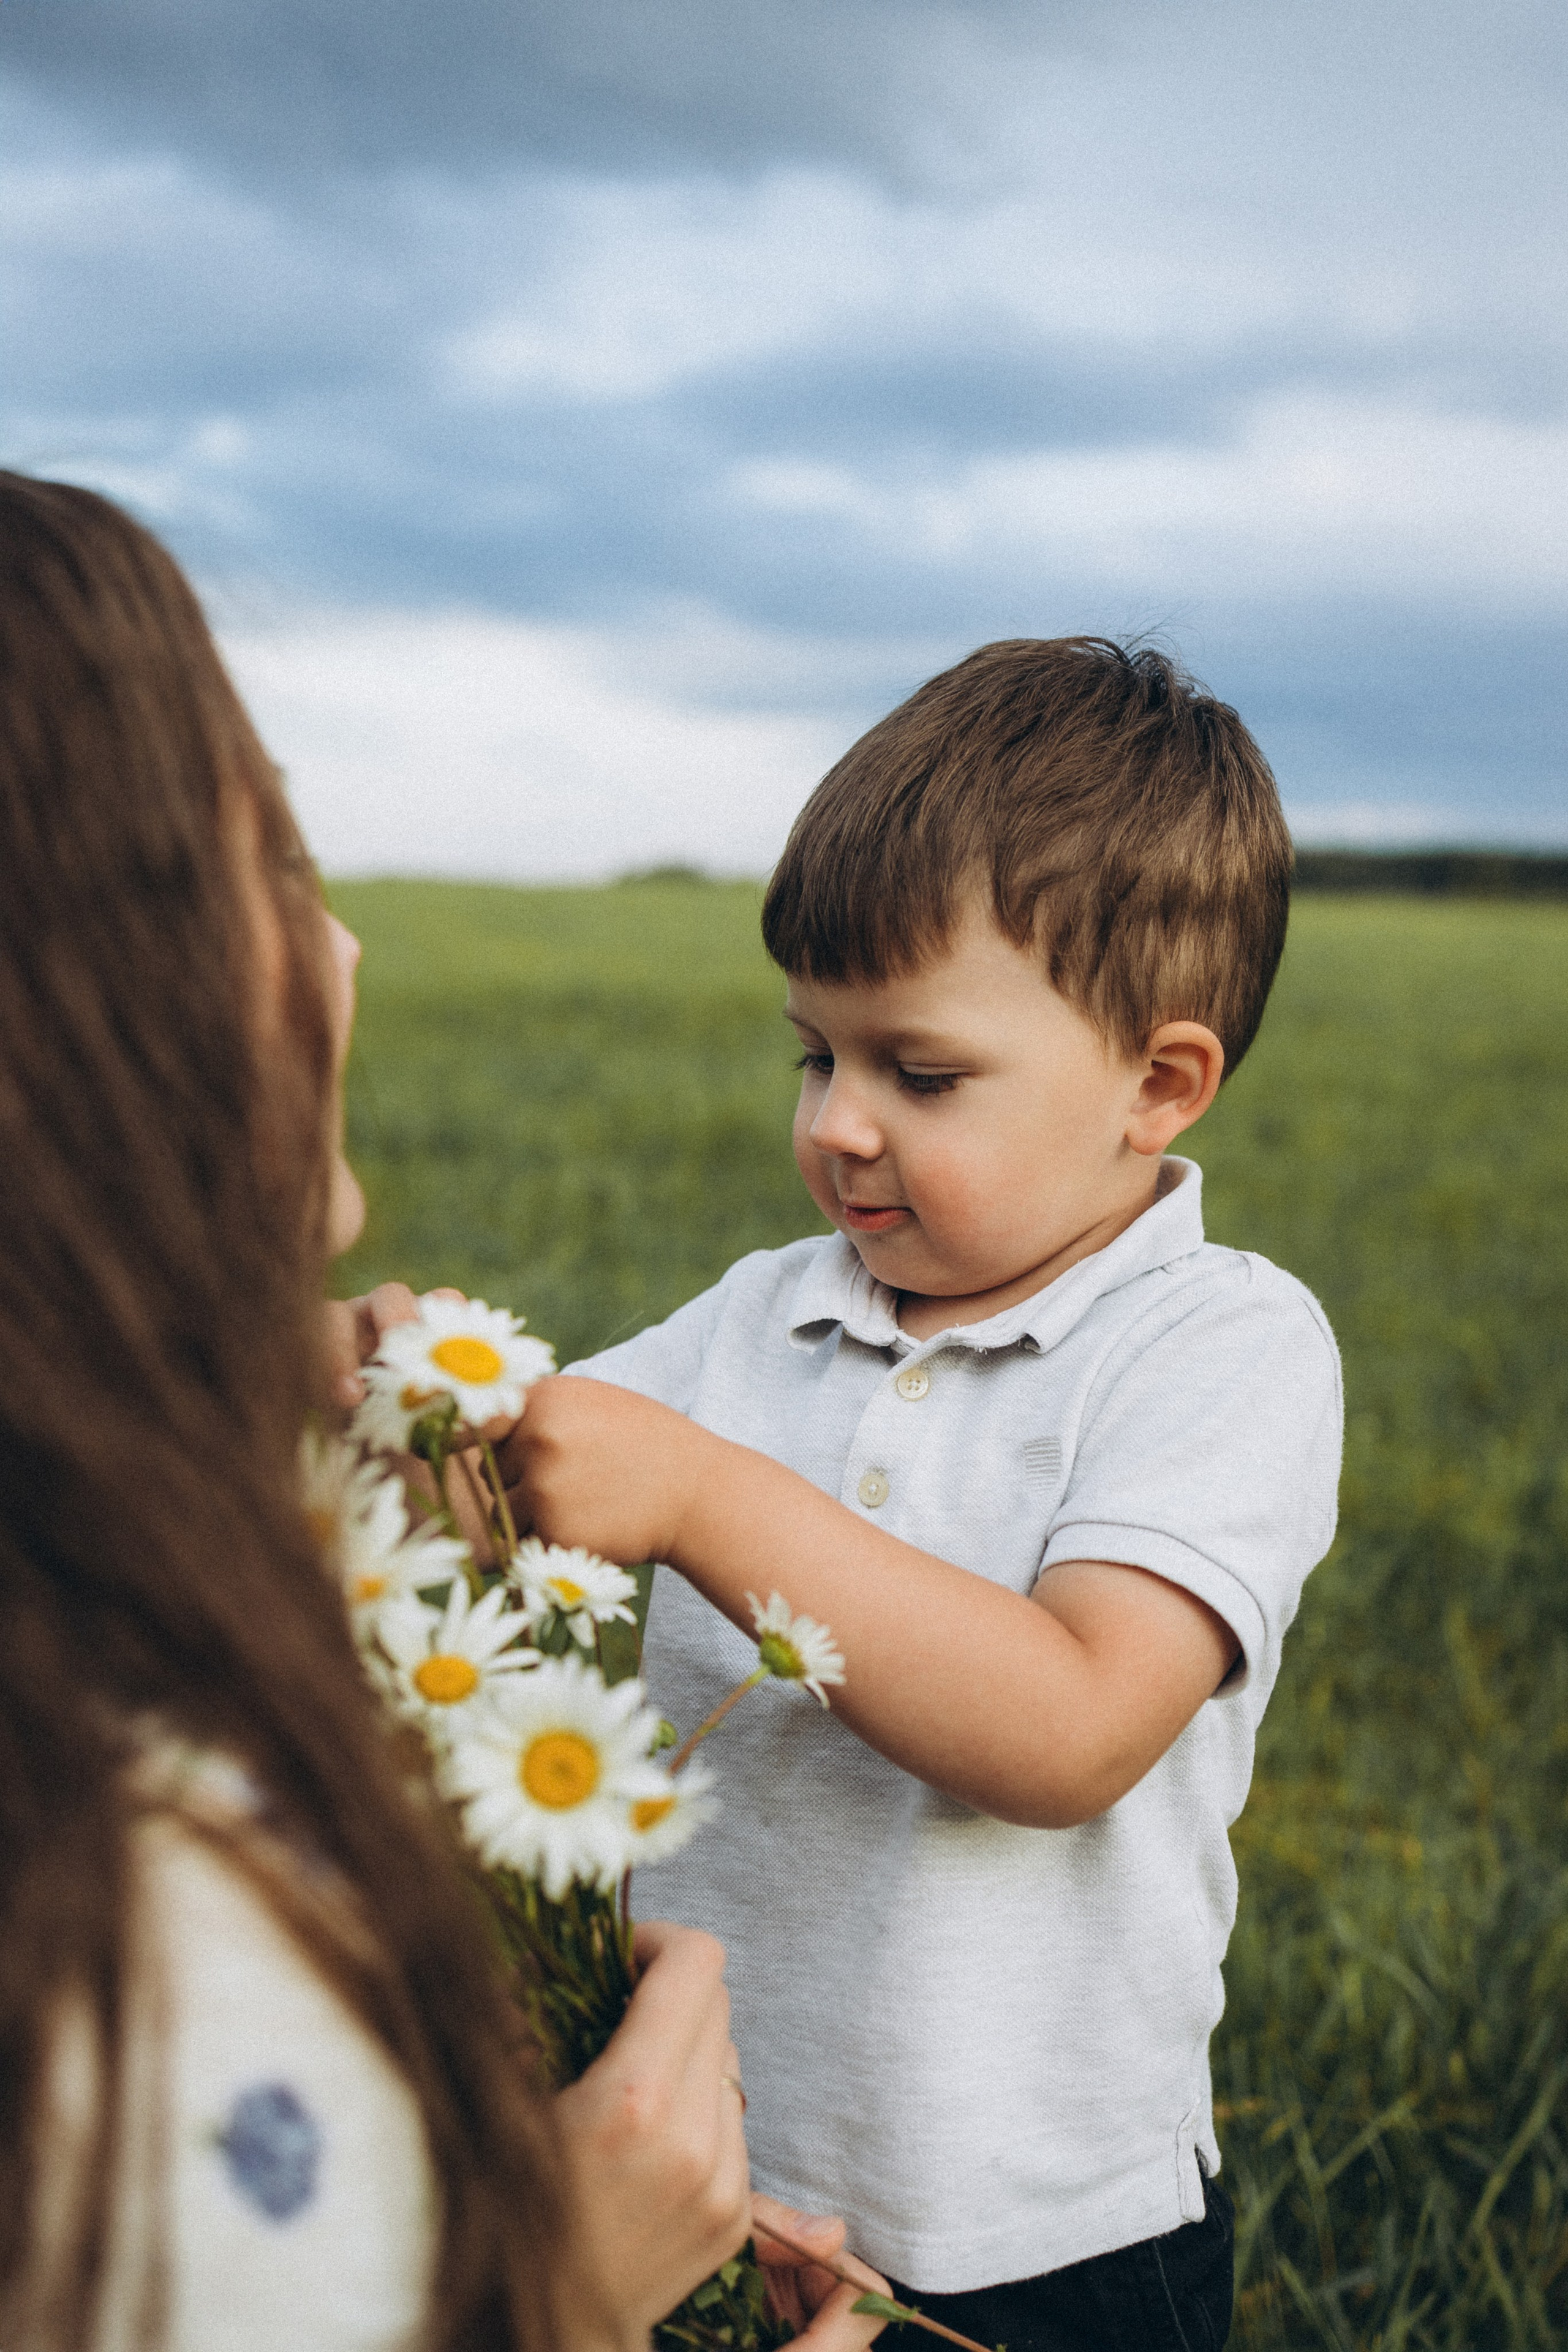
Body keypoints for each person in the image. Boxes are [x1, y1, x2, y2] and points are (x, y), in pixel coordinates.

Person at [0, 472, 883, 2352]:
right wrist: (557, 2295)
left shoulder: (112, 1608)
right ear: (95, 996)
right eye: (274, 866)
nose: (344, 953)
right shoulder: (125, 1898)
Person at [502, 641, 1344, 2351]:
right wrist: (412, 1392)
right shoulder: (764, 1311)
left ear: (1158, 1085)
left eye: (921, 1074)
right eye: (815, 1058)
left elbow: (1072, 1727)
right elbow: (542, 1471)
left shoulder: (1219, 1345)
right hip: (701, 2187)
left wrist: (699, 1495)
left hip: (1040, 2241)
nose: (839, 1126)